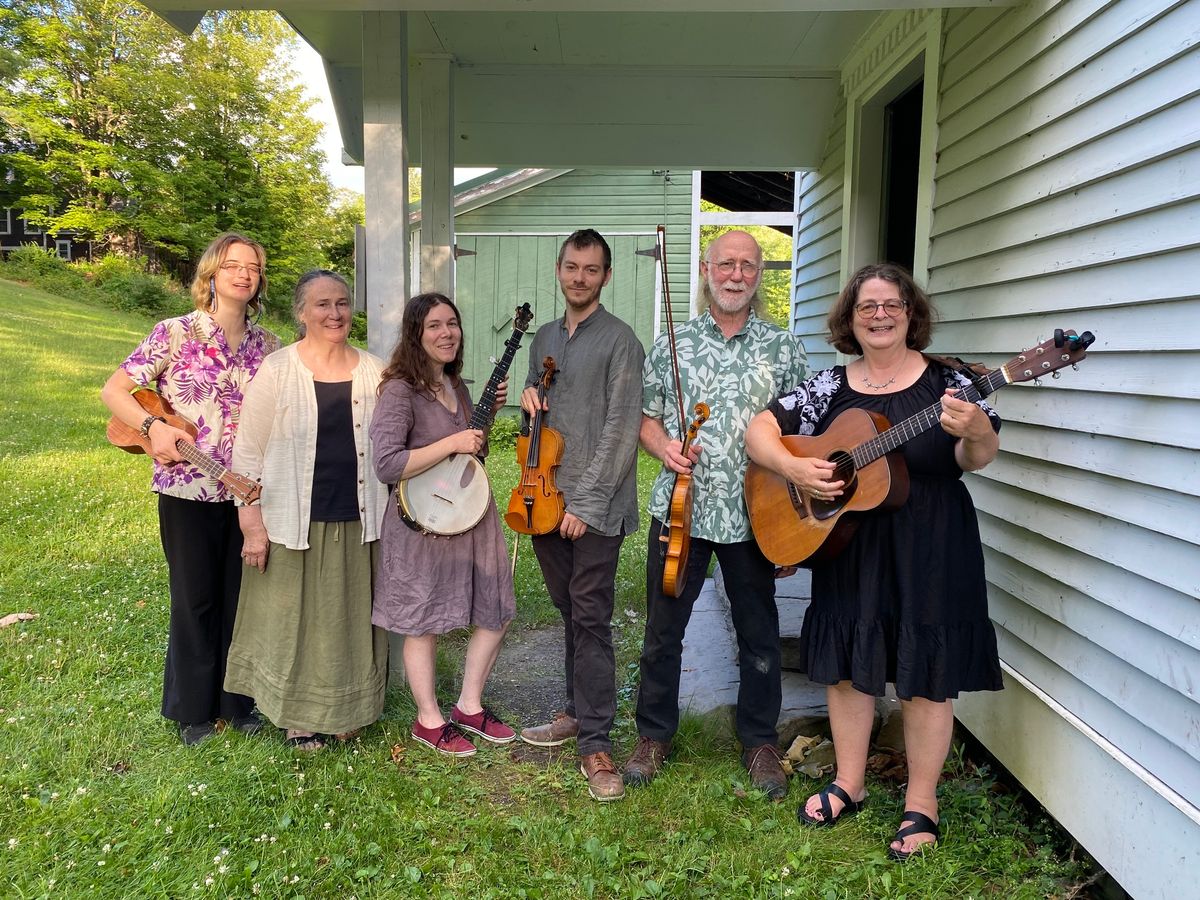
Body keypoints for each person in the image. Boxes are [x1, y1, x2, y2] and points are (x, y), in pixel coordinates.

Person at [744, 262, 1003, 860]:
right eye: (867, 307)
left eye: (892, 305)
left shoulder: (953, 382)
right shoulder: (829, 388)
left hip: (932, 543)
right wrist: (794, 468)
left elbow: (976, 457)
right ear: (850, 320)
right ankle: (850, 782)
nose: (880, 315)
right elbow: (760, 429)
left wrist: (978, 430)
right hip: (852, 543)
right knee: (846, 666)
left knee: (926, 676)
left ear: (911, 314)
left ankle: (922, 803)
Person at [623, 230, 808, 801]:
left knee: (759, 636)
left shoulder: (784, 349)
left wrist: (792, 526)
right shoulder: (672, 344)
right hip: (681, 509)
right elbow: (644, 416)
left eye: (747, 266)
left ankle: (759, 741)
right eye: (725, 264)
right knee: (662, 632)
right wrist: (664, 449)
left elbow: (801, 440)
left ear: (759, 276)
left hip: (755, 515)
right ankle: (654, 735)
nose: (735, 275)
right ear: (706, 270)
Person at [100, 232, 280, 746]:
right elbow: (114, 390)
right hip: (186, 489)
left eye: (253, 267)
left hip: (248, 492)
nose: (244, 274)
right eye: (233, 266)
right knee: (194, 597)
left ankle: (237, 703)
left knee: (241, 598)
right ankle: (193, 710)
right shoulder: (173, 333)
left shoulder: (269, 347)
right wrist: (152, 427)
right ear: (212, 275)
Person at [224, 270, 389, 751]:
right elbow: (248, 455)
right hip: (290, 520)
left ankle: (347, 710)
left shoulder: (374, 372)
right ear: (301, 313)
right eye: (322, 304)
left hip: (359, 516)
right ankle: (297, 717)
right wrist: (251, 524)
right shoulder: (278, 370)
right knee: (293, 621)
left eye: (341, 303)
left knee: (348, 619)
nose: (334, 313)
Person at [518, 229, 644, 802]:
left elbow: (621, 430)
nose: (579, 277)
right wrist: (527, 397)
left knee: (591, 618)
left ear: (606, 277)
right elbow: (535, 414)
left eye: (591, 270)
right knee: (569, 610)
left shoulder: (621, 341)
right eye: (571, 267)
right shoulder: (544, 336)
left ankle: (596, 743)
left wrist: (588, 505)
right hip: (542, 498)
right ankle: (575, 709)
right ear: (558, 269)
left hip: (593, 505)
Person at [371, 292, 516, 757]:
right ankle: (428, 718)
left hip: (471, 514)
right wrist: (455, 439)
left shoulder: (458, 386)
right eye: (434, 325)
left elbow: (471, 453)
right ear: (416, 334)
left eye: (451, 323)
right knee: (422, 620)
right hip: (423, 523)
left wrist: (482, 424)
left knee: (495, 608)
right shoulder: (399, 391)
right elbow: (387, 463)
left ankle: (469, 707)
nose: (446, 333)